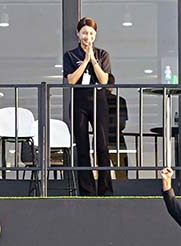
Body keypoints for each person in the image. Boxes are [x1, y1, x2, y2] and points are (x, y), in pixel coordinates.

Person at [64, 16, 115, 196]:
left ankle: (105, 190)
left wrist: (93, 59)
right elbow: (71, 80)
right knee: (83, 146)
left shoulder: (103, 55)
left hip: (99, 101)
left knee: (102, 145)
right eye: (84, 33)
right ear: (78, 34)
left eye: (91, 33)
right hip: (79, 102)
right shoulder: (70, 55)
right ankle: (86, 190)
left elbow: (104, 80)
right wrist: (84, 60)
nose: (88, 37)